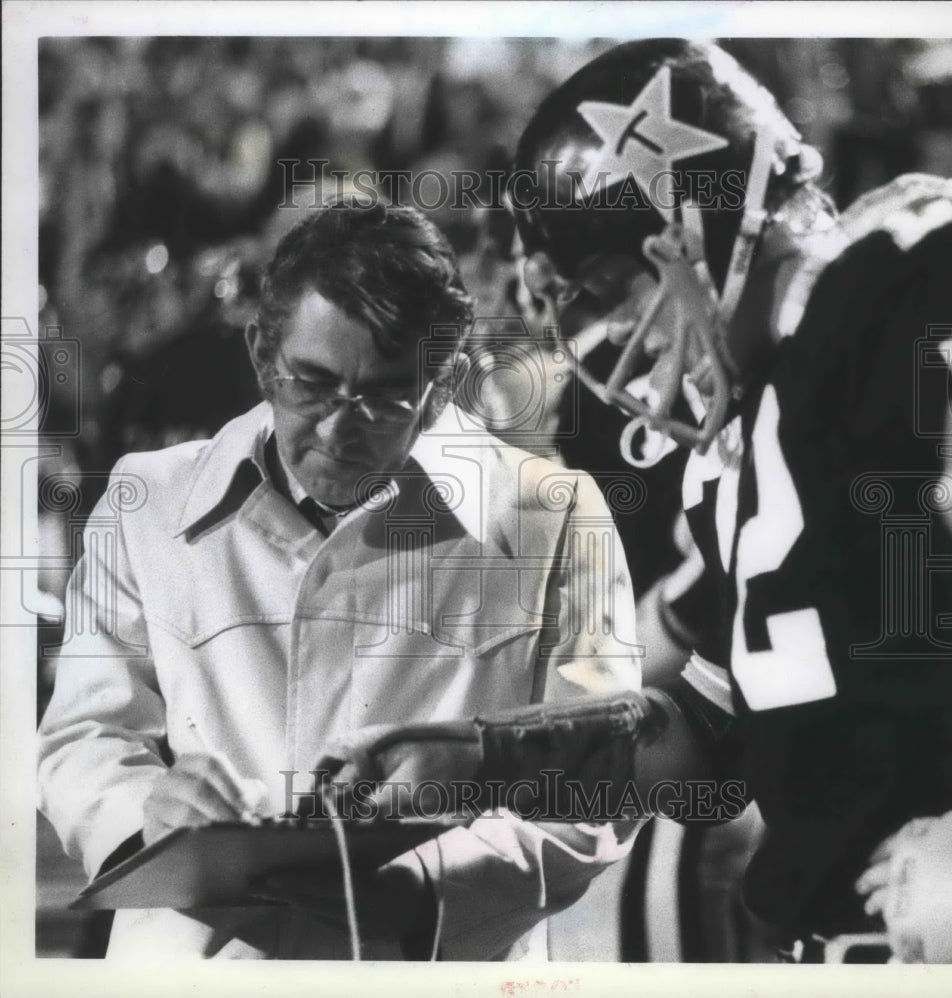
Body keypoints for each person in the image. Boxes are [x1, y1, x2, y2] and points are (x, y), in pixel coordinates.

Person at [319, 41, 952, 963]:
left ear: (693, 231)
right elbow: (708, 719)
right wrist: (485, 758)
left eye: (610, 293)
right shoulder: (738, 434)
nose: (608, 337)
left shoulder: (906, 285)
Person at [36, 197, 643, 960]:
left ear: (446, 382)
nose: (336, 428)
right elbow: (84, 735)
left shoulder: (552, 517)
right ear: (261, 353)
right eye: (310, 384)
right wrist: (145, 811)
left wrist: (427, 887)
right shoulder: (148, 503)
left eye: (386, 398)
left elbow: (601, 780)